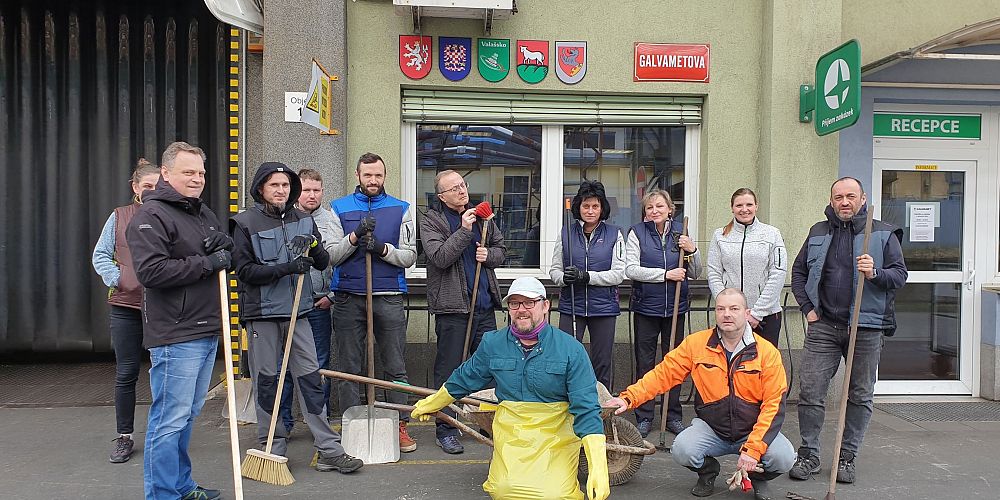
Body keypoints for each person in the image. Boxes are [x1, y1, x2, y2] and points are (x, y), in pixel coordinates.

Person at [410, 277, 609, 500]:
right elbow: (464, 379)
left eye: (529, 303)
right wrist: (433, 403)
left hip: (557, 435)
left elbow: (586, 407)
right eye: (514, 303)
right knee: (503, 489)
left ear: (545, 306)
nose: (521, 310)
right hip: (511, 432)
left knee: (554, 495)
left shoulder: (571, 349)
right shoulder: (493, 343)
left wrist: (598, 466)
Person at [230, 162, 362, 474]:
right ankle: (272, 447)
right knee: (268, 383)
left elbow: (324, 261)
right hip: (262, 315)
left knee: (311, 380)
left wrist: (313, 246)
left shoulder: (303, 220)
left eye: (285, 185)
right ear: (260, 188)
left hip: (299, 313)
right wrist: (287, 268)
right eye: (274, 185)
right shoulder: (245, 223)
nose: (281, 190)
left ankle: (329, 449)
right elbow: (245, 272)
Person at [607, 288, 795, 500]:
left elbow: (773, 405)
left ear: (747, 313)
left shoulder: (767, 353)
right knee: (682, 449)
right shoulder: (696, 344)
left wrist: (753, 450)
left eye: (734, 309)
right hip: (712, 428)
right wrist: (628, 398)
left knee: (784, 458)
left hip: (752, 429)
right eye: (721, 309)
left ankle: (757, 477)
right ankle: (708, 471)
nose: (727, 314)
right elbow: (662, 375)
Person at [127, 141, 231, 500]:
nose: (197, 178)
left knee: (187, 416)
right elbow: (151, 272)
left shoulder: (202, 213)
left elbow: (220, 256)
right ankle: (162, 494)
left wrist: (225, 246)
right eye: (188, 172)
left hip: (206, 327)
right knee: (169, 419)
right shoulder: (151, 215)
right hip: (176, 333)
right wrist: (207, 263)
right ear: (166, 173)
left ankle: (181, 486)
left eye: (201, 172)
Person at [788, 176, 907, 485]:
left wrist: (875, 272)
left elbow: (899, 276)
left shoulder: (882, 233)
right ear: (831, 201)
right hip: (824, 325)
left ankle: (847, 457)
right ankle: (809, 454)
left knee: (860, 394)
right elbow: (799, 271)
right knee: (810, 391)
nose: (844, 202)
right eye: (838, 197)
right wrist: (808, 308)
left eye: (850, 196)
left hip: (866, 326)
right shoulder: (818, 231)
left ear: (862, 199)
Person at [324, 153, 418, 453]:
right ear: (358, 175)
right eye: (368, 175)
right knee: (349, 368)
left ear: (385, 176)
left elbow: (409, 256)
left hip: (388, 295)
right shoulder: (338, 208)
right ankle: (352, 426)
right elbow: (330, 256)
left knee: (396, 366)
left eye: (378, 175)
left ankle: (399, 425)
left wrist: (382, 249)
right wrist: (353, 238)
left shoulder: (401, 209)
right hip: (348, 296)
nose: (373, 180)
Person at [419, 169, 507, 454]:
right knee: (449, 371)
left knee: (491, 368)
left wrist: (489, 255)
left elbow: (500, 249)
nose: (461, 191)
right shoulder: (431, 221)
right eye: (454, 188)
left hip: (483, 306)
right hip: (452, 308)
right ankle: (446, 428)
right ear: (441, 196)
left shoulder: (482, 216)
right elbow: (440, 257)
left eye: (462, 185)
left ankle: (488, 423)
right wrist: (464, 231)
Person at [92, 158, 160, 464]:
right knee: (127, 372)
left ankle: (162, 434)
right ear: (135, 187)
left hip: (162, 307)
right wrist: (120, 279)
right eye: (147, 186)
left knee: (163, 372)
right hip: (126, 306)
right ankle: (125, 436)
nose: (152, 191)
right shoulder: (119, 216)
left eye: (158, 186)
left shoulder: (171, 214)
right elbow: (100, 255)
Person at [624, 189, 702, 437]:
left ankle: (672, 416)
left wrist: (693, 250)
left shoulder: (682, 232)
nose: (654, 211)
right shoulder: (637, 233)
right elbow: (631, 269)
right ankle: (644, 415)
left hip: (675, 309)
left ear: (670, 209)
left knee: (675, 363)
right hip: (646, 307)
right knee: (645, 363)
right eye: (650, 207)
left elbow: (696, 272)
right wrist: (665, 275)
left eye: (659, 206)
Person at [276, 168, 337, 431]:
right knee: (285, 365)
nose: (312, 195)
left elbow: (339, 260)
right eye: (306, 190)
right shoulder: (284, 220)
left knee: (319, 365)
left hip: (318, 304)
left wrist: (332, 296)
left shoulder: (332, 220)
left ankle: (319, 422)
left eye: (317, 190)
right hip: (288, 305)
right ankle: (284, 423)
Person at [549, 180, 625, 390]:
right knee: (567, 359)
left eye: (595, 206)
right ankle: (567, 402)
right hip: (572, 305)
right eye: (586, 206)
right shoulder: (565, 232)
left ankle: (601, 405)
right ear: (578, 207)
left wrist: (587, 276)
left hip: (604, 307)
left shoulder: (615, 234)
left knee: (602, 362)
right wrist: (564, 278)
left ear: (602, 208)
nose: (590, 211)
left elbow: (618, 274)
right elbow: (555, 270)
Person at [706, 188, 788, 346]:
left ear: (756, 206)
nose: (744, 209)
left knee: (764, 360)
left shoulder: (772, 234)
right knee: (730, 359)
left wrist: (756, 313)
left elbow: (778, 274)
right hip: (730, 317)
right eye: (739, 205)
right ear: (732, 208)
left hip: (766, 317)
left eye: (749, 204)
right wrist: (728, 307)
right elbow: (714, 273)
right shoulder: (719, 235)